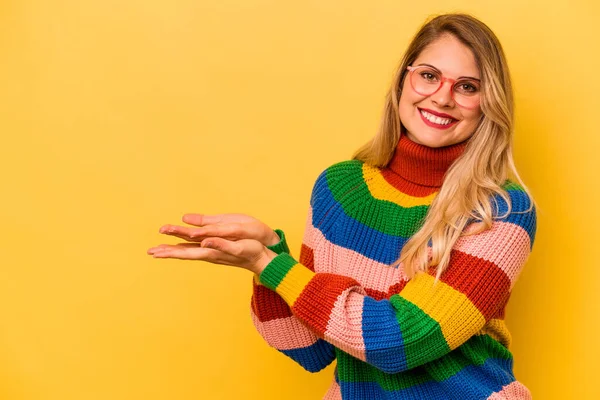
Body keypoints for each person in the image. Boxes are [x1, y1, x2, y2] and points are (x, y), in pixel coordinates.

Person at [147, 12, 537, 400]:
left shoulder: (500, 210)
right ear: (405, 78)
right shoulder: (341, 188)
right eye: (429, 75)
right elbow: (307, 347)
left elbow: (398, 343)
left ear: (489, 103)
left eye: (467, 86)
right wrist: (266, 257)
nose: (442, 97)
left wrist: (273, 267)